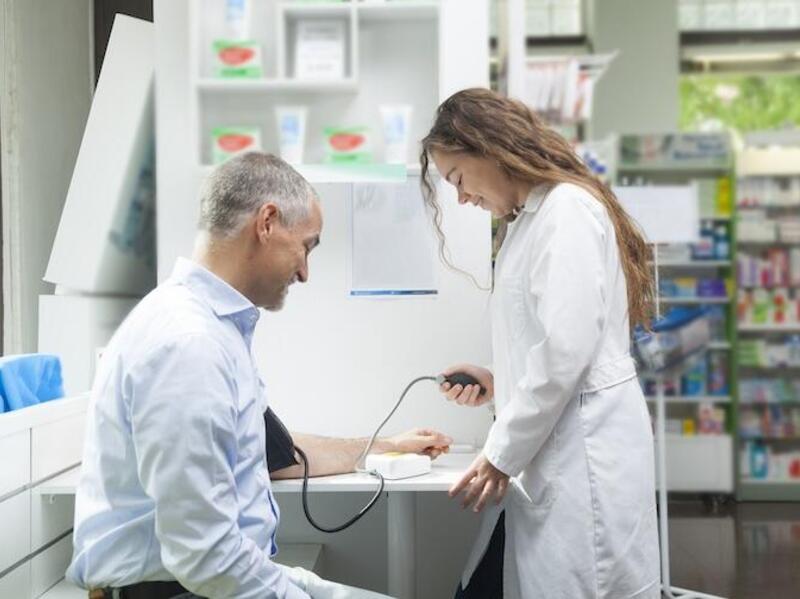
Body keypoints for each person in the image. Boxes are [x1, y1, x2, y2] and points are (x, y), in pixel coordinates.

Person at [67, 152, 450, 599]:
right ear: (267, 222)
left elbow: (277, 455)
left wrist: (385, 447)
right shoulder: (188, 344)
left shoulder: (214, 328)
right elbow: (204, 556)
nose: (305, 272)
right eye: (307, 245)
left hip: (209, 581)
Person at [421, 88, 660, 598]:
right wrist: (497, 378)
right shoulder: (528, 220)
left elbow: (565, 353)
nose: (461, 198)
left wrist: (501, 454)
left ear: (488, 146)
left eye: (458, 178)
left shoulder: (565, 210)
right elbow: (551, 339)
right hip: (556, 449)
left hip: (584, 457)